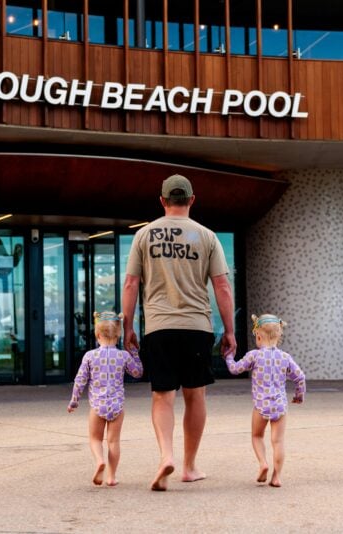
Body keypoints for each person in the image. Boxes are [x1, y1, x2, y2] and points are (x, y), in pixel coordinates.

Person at [122, 173, 237, 491]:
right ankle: (188, 467)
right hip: (196, 327)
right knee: (195, 395)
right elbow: (222, 286)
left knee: (162, 396)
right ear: (191, 200)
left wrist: (127, 326)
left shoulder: (144, 235)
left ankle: (165, 456)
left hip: (158, 328)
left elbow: (131, 283)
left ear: (162, 201)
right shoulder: (207, 236)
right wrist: (229, 330)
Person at [224, 314, 306, 488]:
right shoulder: (285, 357)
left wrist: (228, 356)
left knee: (257, 435)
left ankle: (263, 463)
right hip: (280, 406)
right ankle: (276, 477)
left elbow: (235, 369)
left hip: (261, 406)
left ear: (258, 336)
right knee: (278, 442)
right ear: (279, 336)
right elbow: (300, 377)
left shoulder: (254, 356)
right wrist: (299, 395)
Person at [68, 311, 143, 487]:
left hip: (97, 405)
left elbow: (80, 380)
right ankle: (111, 476)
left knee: (95, 439)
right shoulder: (123, 356)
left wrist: (74, 400)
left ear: (97, 334)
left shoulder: (90, 356)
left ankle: (99, 461)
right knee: (114, 441)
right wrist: (135, 353)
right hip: (117, 406)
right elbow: (138, 373)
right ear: (118, 334)